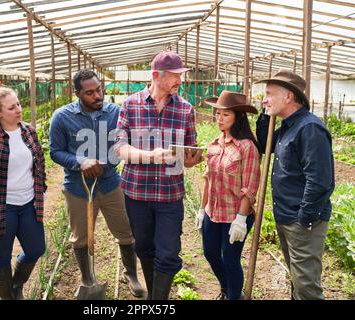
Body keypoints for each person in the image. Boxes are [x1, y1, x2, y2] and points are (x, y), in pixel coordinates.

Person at [114, 51, 203, 300]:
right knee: (144, 248)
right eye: (175, 76)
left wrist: (193, 158)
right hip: (137, 193)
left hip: (170, 194)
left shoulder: (185, 109)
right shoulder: (130, 104)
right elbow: (120, 148)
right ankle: (155, 294)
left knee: (169, 253)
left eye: (180, 77)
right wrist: (151, 155)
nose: (180, 81)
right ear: (156, 75)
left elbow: (189, 150)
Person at [49, 69, 144, 299]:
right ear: (77, 94)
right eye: (90, 93)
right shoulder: (62, 117)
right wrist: (80, 161)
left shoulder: (115, 112)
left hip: (111, 184)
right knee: (80, 237)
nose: (97, 96)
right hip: (78, 188)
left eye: (99, 89)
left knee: (126, 232)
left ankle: (131, 274)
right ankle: (87, 278)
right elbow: (55, 152)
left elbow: (125, 142)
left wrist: (108, 162)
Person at [255, 69, 335, 300]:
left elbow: (320, 180)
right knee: (298, 281)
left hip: (302, 221)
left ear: (288, 96)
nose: (264, 98)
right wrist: (265, 113)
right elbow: (264, 145)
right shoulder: (288, 127)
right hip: (286, 215)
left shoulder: (309, 128)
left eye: (269, 94)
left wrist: (304, 219)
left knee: (307, 286)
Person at [0, 87, 46, 300]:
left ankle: (15, 285)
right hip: (1, 208)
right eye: (12, 107)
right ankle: (8, 297)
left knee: (36, 249)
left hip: (28, 204)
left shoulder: (28, 131)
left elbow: (40, 161)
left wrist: (40, 190)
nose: (18, 109)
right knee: (1, 257)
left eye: (19, 104)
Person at [197, 91, 260, 300]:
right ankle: (227, 288)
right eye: (217, 114)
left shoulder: (247, 147)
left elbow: (250, 187)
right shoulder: (215, 143)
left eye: (225, 115)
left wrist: (241, 219)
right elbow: (208, 179)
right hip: (213, 211)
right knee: (210, 253)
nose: (219, 119)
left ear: (238, 117)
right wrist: (201, 208)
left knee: (231, 259)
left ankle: (234, 296)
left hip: (235, 214)